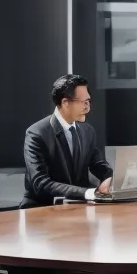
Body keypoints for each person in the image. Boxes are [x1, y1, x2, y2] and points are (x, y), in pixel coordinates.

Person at [21, 74, 113, 208]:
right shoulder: (36, 134)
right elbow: (40, 184)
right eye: (83, 102)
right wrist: (88, 193)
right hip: (42, 209)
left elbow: (97, 163)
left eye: (88, 101)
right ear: (65, 103)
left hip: (76, 207)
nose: (87, 108)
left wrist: (113, 179)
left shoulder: (87, 131)